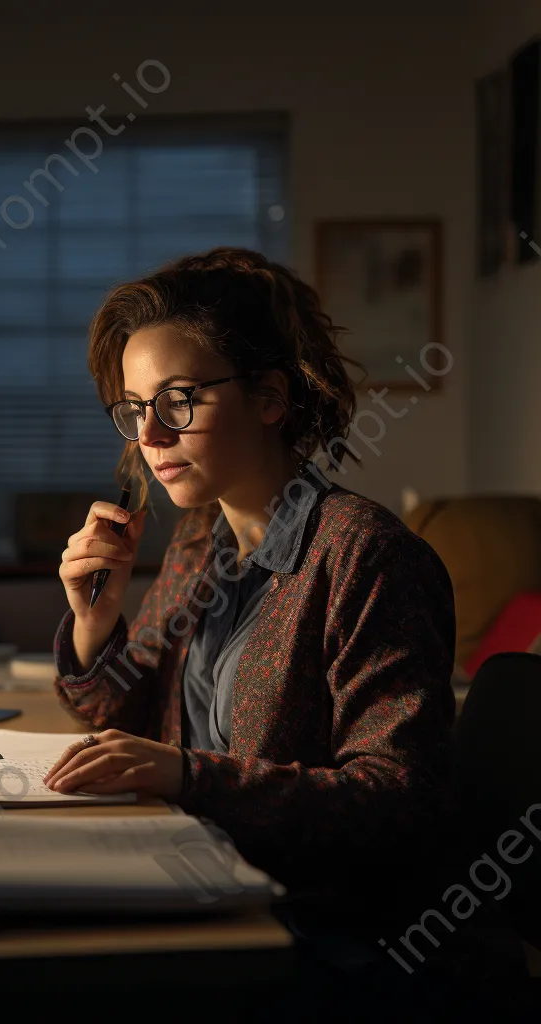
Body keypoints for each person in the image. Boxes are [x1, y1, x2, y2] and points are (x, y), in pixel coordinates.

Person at [42, 247, 529, 1014]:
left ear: (270, 397)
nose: (151, 437)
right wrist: (94, 621)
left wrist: (188, 776)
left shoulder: (367, 556)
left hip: (322, 938)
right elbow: (132, 730)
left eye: (178, 401)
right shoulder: (202, 538)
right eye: (135, 410)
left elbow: (399, 802)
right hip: (203, 889)